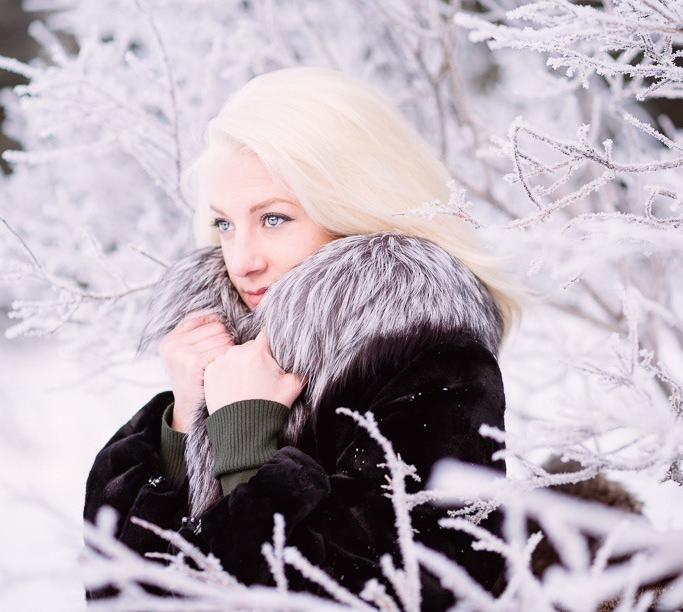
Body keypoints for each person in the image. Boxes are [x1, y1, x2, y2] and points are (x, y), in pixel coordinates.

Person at [83, 67, 524, 609]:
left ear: (354, 210)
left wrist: (245, 444)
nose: (242, 260)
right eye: (225, 224)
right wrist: (180, 425)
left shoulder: (434, 360)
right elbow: (117, 594)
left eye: (273, 219)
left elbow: (420, 586)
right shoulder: (227, 352)